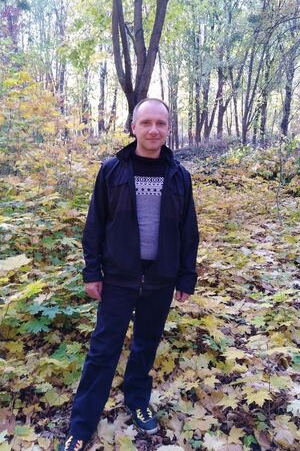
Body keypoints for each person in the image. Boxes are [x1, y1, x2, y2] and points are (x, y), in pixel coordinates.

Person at [59, 98, 199, 451]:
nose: (153, 130)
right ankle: (81, 425)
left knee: (146, 345)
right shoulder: (113, 170)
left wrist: (186, 276)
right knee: (102, 350)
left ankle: (137, 401)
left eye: (160, 123)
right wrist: (92, 271)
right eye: (146, 122)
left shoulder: (179, 176)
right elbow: (95, 224)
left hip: (160, 279)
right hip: (118, 278)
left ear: (169, 129)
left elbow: (188, 230)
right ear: (133, 126)